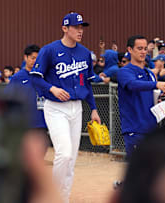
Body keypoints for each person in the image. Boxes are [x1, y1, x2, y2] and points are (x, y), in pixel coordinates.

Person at [30, 12, 101, 202]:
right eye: (76, 27)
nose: (80, 31)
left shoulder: (85, 53)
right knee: (64, 153)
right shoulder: (49, 50)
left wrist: (93, 108)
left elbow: (87, 83)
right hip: (55, 107)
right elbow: (35, 77)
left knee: (71, 160)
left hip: (77, 108)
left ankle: (63, 198)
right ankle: (50, 194)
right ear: (64, 28)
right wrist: (52, 88)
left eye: (81, 27)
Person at [117, 35, 165, 157]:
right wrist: (157, 84)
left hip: (152, 129)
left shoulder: (149, 73)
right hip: (134, 128)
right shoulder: (124, 71)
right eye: (139, 48)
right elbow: (133, 85)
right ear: (130, 50)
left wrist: (164, 93)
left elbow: (152, 94)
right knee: (138, 171)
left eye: (145, 48)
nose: (143, 52)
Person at [7, 44, 49, 152]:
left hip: (42, 120)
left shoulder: (45, 75)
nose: (35, 61)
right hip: (25, 122)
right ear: (25, 58)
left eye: (37, 58)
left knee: (41, 150)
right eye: (32, 58)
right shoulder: (17, 77)